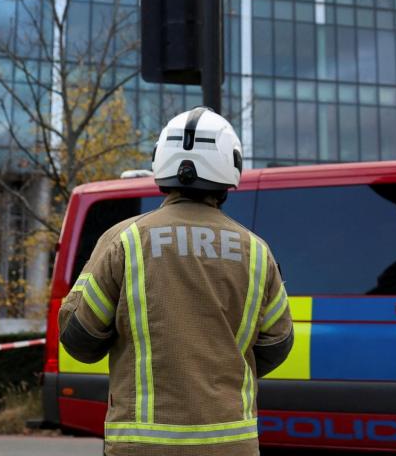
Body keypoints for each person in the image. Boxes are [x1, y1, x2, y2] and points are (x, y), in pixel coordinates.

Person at [59, 107, 295, 454]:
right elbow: (277, 344)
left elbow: (79, 338)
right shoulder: (256, 251)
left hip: (143, 445)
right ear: (231, 167)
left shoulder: (124, 240)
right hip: (231, 444)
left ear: (161, 163)